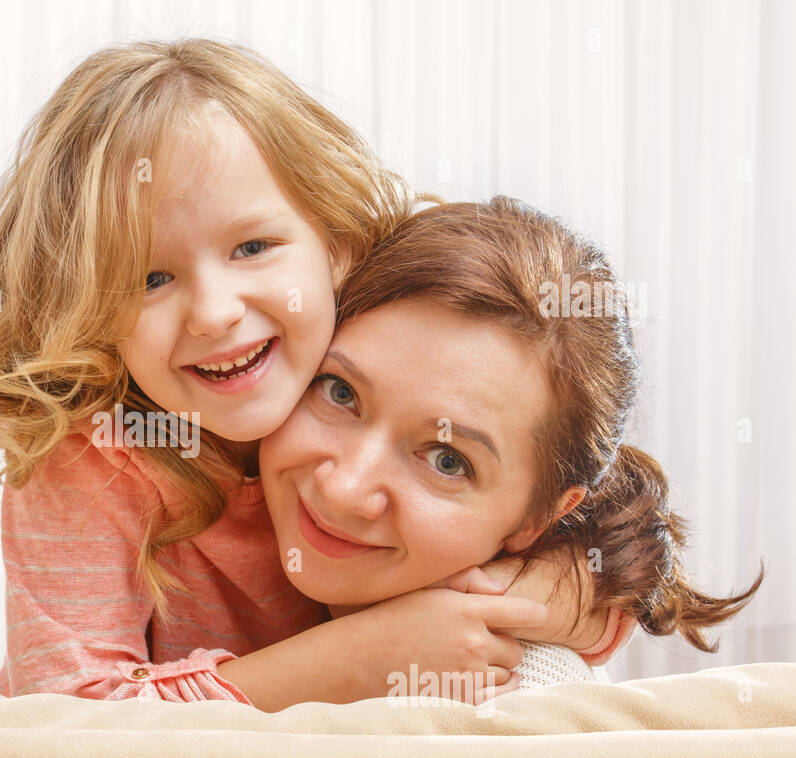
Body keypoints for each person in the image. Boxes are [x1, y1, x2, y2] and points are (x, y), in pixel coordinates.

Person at [0, 39, 628, 708]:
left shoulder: (383, 334)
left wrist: (546, 596)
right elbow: (65, 723)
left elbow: (619, 557)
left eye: (253, 246)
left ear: (336, 243)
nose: (213, 314)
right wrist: (361, 657)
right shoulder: (99, 455)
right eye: (148, 278)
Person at [246, 196, 764, 710]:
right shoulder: (221, 440)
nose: (343, 489)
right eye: (340, 392)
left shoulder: (500, 702)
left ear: (541, 516)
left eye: (447, 460)